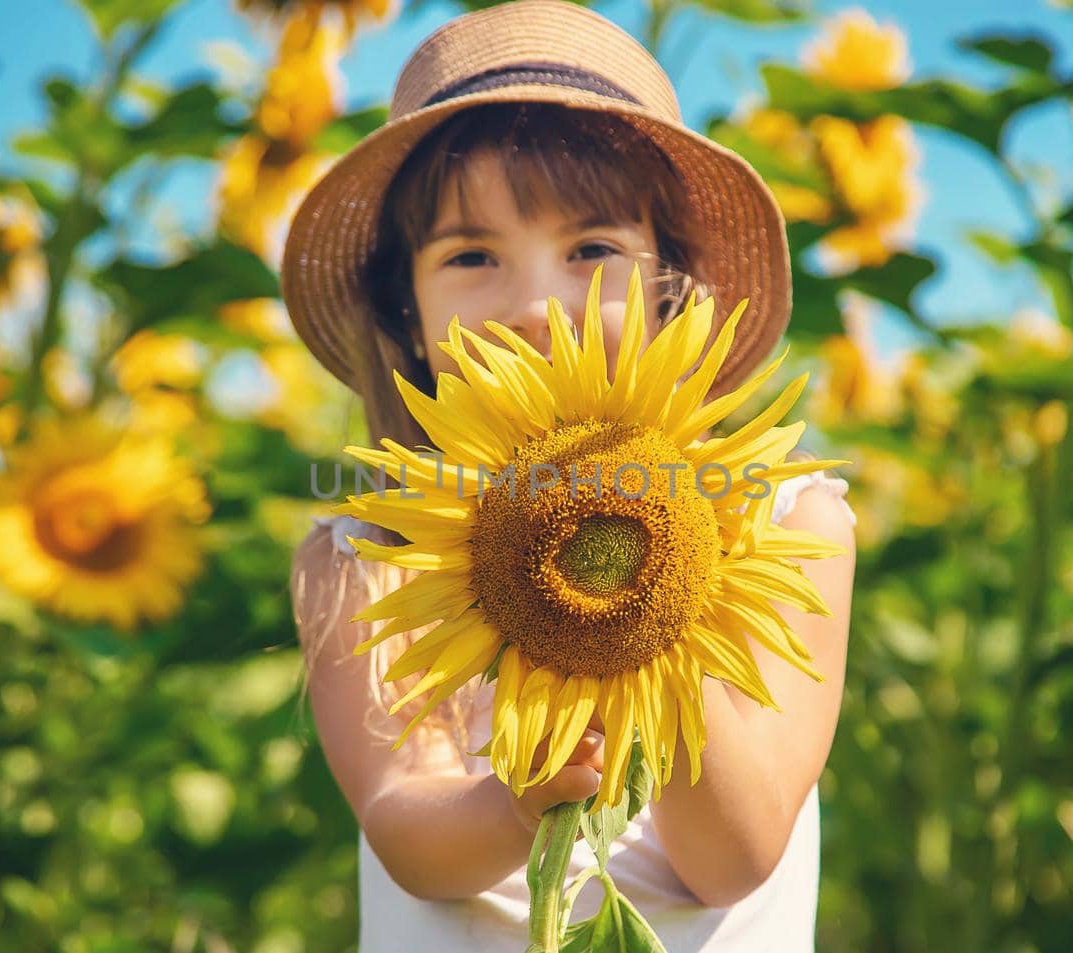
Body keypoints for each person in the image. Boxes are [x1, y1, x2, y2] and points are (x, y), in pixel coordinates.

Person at [279, 2, 857, 949]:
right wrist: (515, 805)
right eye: (472, 256)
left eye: (591, 250)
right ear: (408, 312)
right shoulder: (371, 553)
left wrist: (667, 589)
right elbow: (405, 830)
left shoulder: (786, 520)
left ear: (671, 282)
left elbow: (735, 856)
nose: (540, 305)